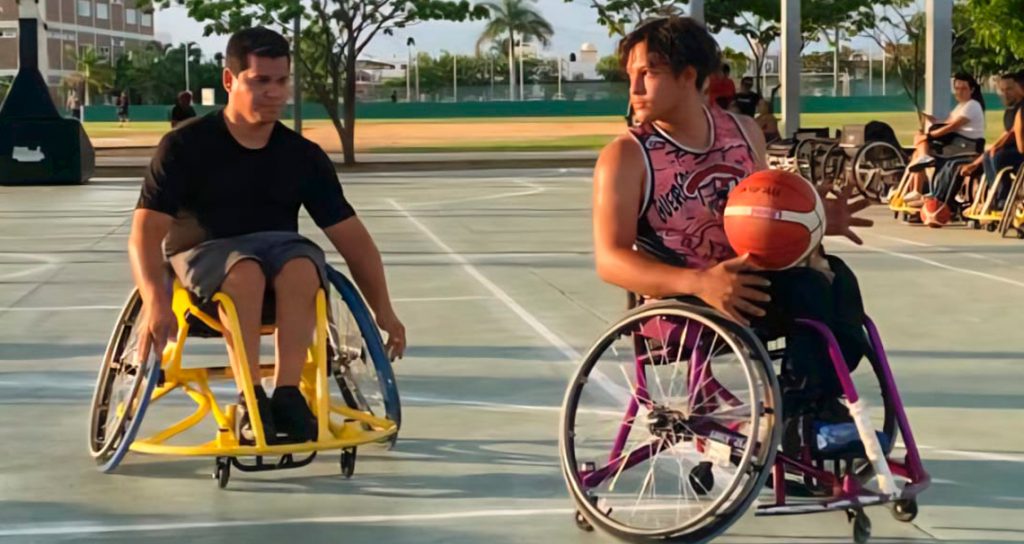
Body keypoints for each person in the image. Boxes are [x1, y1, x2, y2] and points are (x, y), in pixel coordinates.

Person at [130, 27, 406, 445]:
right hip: (204, 255)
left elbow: (352, 239)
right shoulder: (183, 147)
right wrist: (154, 300)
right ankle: (250, 396)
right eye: (260, 81)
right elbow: (145, 234)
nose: (274, 93)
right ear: (230, 81)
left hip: (279, 253)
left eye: (281, 81)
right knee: (245, 272)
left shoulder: (302, 156)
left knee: (302, 265)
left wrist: (383, 310)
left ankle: (290, 395)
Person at [592, 17, 873, 425]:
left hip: (754, 282)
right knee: (811, 292)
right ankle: (803, 415)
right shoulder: (626, 157)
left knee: (838, 282)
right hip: (683, 301)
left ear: (689, 76)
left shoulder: (742, 132)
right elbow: (610, 259)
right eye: (631, 75)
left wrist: (807, 224)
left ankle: (809, 402)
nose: (633, 89)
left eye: (647, 74)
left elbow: (759, 218)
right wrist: (700, 282)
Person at [902, 72, 987, 204]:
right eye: (957, 89)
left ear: (972, 89)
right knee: (917, 150)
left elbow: (953, 126)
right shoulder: (961, 107)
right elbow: (947, 123)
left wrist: (929, 135)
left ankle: (919, 187)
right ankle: (917, 190)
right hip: (956, 143)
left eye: (963, 88)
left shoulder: (972, 105)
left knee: (922, 142)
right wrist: (933, 121)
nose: (959, 92)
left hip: (966, 145)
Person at [959, 71, 1024, 208]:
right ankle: (994, 197)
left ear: (1019, 87)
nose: (1006, 93)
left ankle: (1003, 199)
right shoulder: (1010, 110)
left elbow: (1012, 133)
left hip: (1020, 151)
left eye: (1010, 89)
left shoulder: (1021, 108)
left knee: (999, 157)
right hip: (1015, 149)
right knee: (990, 155)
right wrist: (976, 163)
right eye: (1003, 90)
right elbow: (1005, 134)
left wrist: (996, 148)